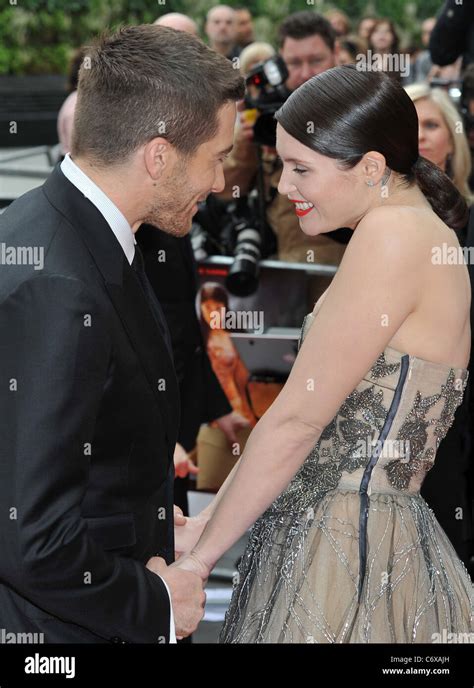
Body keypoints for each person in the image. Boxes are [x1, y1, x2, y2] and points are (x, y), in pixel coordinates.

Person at [174, 65, 473, 643]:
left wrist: (200, 559)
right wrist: (206, 526)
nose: (285, 187)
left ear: (370, 167)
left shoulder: (392, 236)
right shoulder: (415, 229)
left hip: (347, 548)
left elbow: (297, 421)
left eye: (302, 168)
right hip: (364, 535)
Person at [0, 24, 244, 643]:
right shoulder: (63, 284)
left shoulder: (67, 227)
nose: (220, 184)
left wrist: (157, 524)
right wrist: (157, 604)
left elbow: (87, 453)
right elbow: (34, 538)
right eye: (216, 158)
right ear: (159, 156)